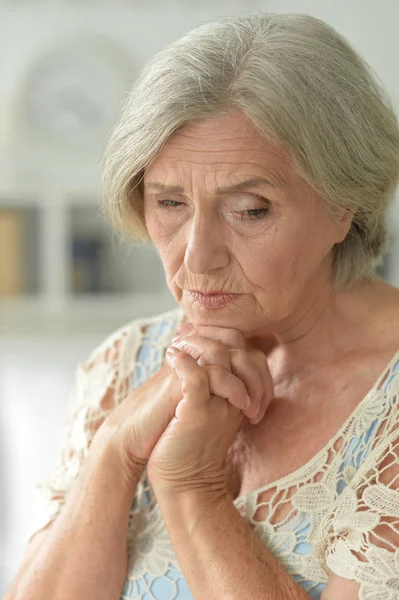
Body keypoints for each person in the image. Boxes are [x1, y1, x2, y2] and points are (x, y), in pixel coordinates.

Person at [5, 12, 399, 600]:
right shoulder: (124, 364)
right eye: (169, 203)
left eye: (250, 209)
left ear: (345, 203)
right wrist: (115, 450)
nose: (199, 258)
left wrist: (190, 488)